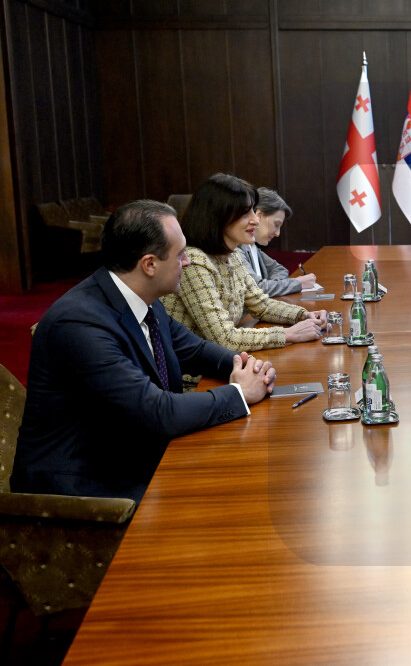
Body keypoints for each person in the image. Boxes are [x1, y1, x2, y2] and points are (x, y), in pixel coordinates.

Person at [12, 200, 277, 502]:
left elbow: (196, 350)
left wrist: (248, 367)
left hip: (132, 454)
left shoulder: (144, 299)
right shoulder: (78, 323)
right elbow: (158, 412)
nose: (188, 262)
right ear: (149, 264)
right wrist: (240, 394)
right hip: (86, 489)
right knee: (231, 493)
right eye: (180, 254)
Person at [161, 173, 326, 353]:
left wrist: (303, 315)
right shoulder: (194, 263)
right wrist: (289, 334)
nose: (255, 220)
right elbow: (225, 339)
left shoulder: (232, 256)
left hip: (219, 361)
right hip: (194, 369)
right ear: (219, 216)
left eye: (253, 211)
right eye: (246, 213)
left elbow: (262, 305)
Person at [235, 187, 318, 296]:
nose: (277, 233)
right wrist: (297, 283)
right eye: (276, 225)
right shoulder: (237, 248)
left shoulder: (253, 247)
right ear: (259, 216)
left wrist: (272, 286)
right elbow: (256, 289)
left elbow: (280, 270)